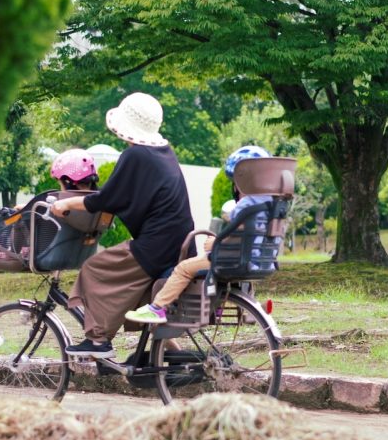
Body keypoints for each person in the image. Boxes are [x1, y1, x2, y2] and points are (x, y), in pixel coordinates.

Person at [51, 92, 194, 358]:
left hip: (156, 245)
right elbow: (125, 197)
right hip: (180, 242)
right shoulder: (163, 152)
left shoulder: (136, 155)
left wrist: (66, 205)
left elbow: (107, 199)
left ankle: (97, 341)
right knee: (138, 292)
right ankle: (172, 353)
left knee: (94, 269)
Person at [125, 145, 272, 324]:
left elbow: (237, 237)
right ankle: (250, 307)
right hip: (258, 260)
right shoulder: (270, 204)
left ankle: (157, 308)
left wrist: (215, 243)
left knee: (184, 268)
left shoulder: (246, 205)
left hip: (233, 259)